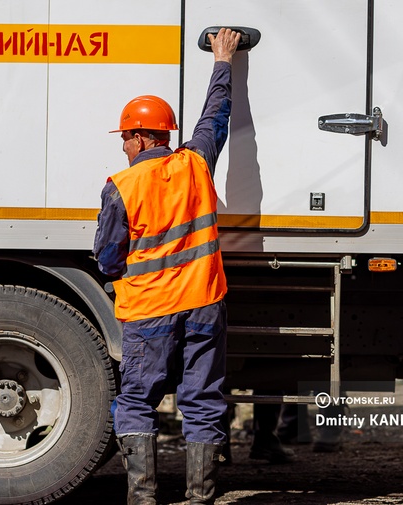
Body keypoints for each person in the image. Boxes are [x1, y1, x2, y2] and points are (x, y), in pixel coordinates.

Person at [93, 27, 241, 505]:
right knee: (201, 400)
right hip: (203, 304)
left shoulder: (122, 185)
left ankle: (143, 498)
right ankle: (200, 498)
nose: (122, 147)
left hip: (149, 311)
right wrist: (224, 63)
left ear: (139, 136)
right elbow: (215, 118)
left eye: (124, 138)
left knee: (137, 400)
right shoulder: (196, 163)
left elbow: (108, 257)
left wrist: (130, 274)